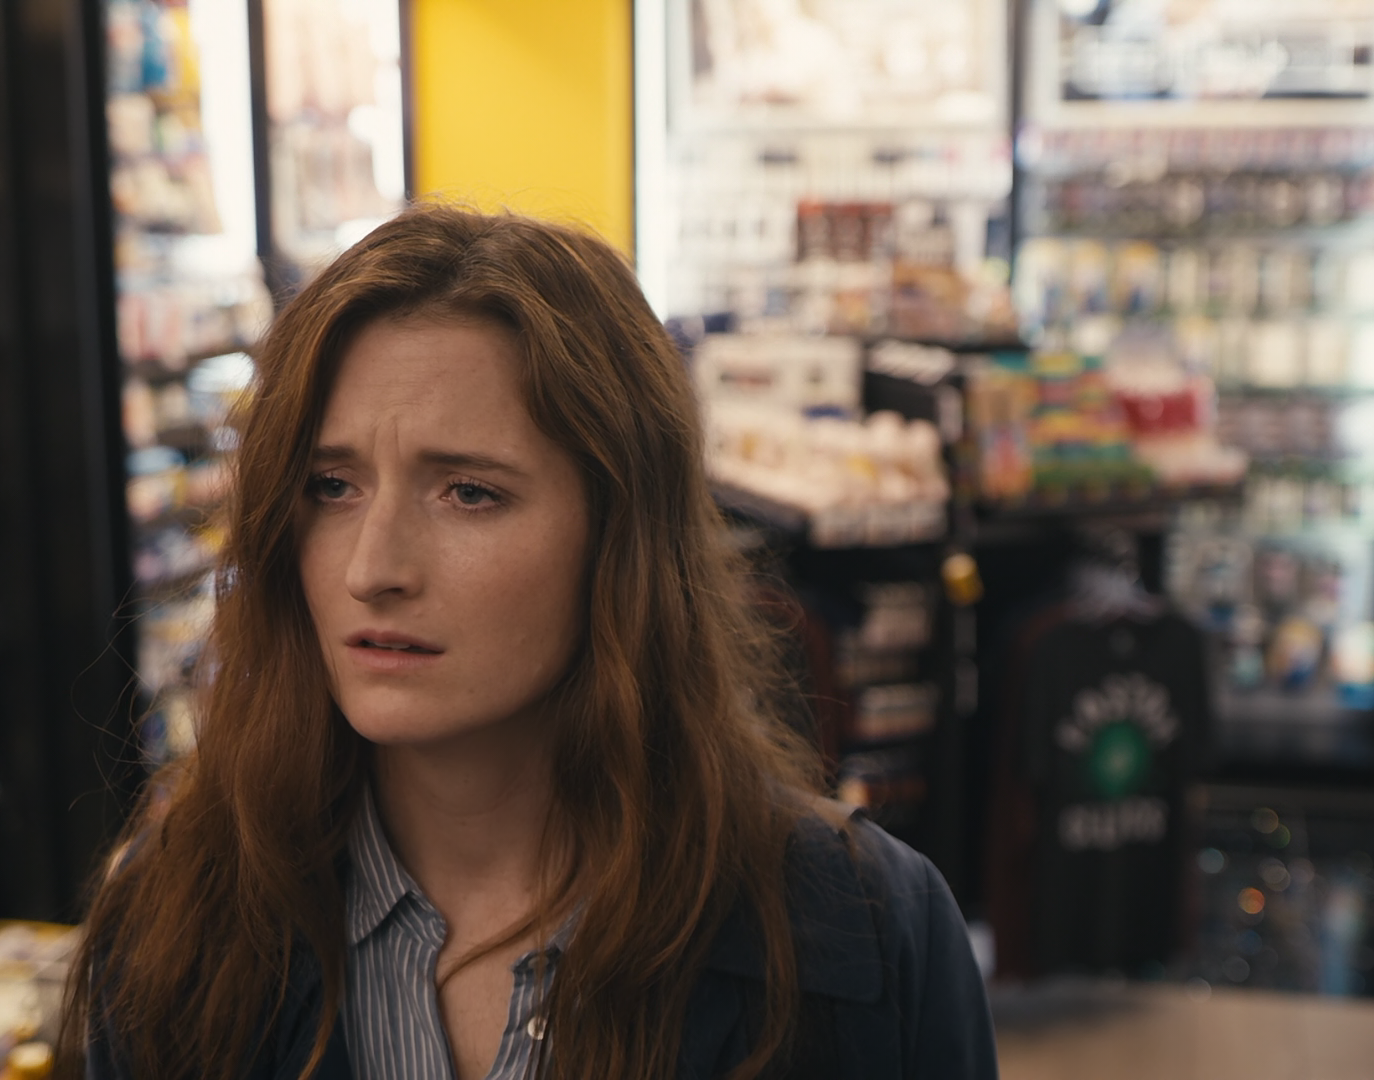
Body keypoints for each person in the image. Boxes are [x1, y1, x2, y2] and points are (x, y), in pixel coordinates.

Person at [58, 204, 996, 1080]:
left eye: (469, 492)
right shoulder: (176, 921)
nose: (372, 569)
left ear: (621, 534)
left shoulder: (866, 929)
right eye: (331, 487)